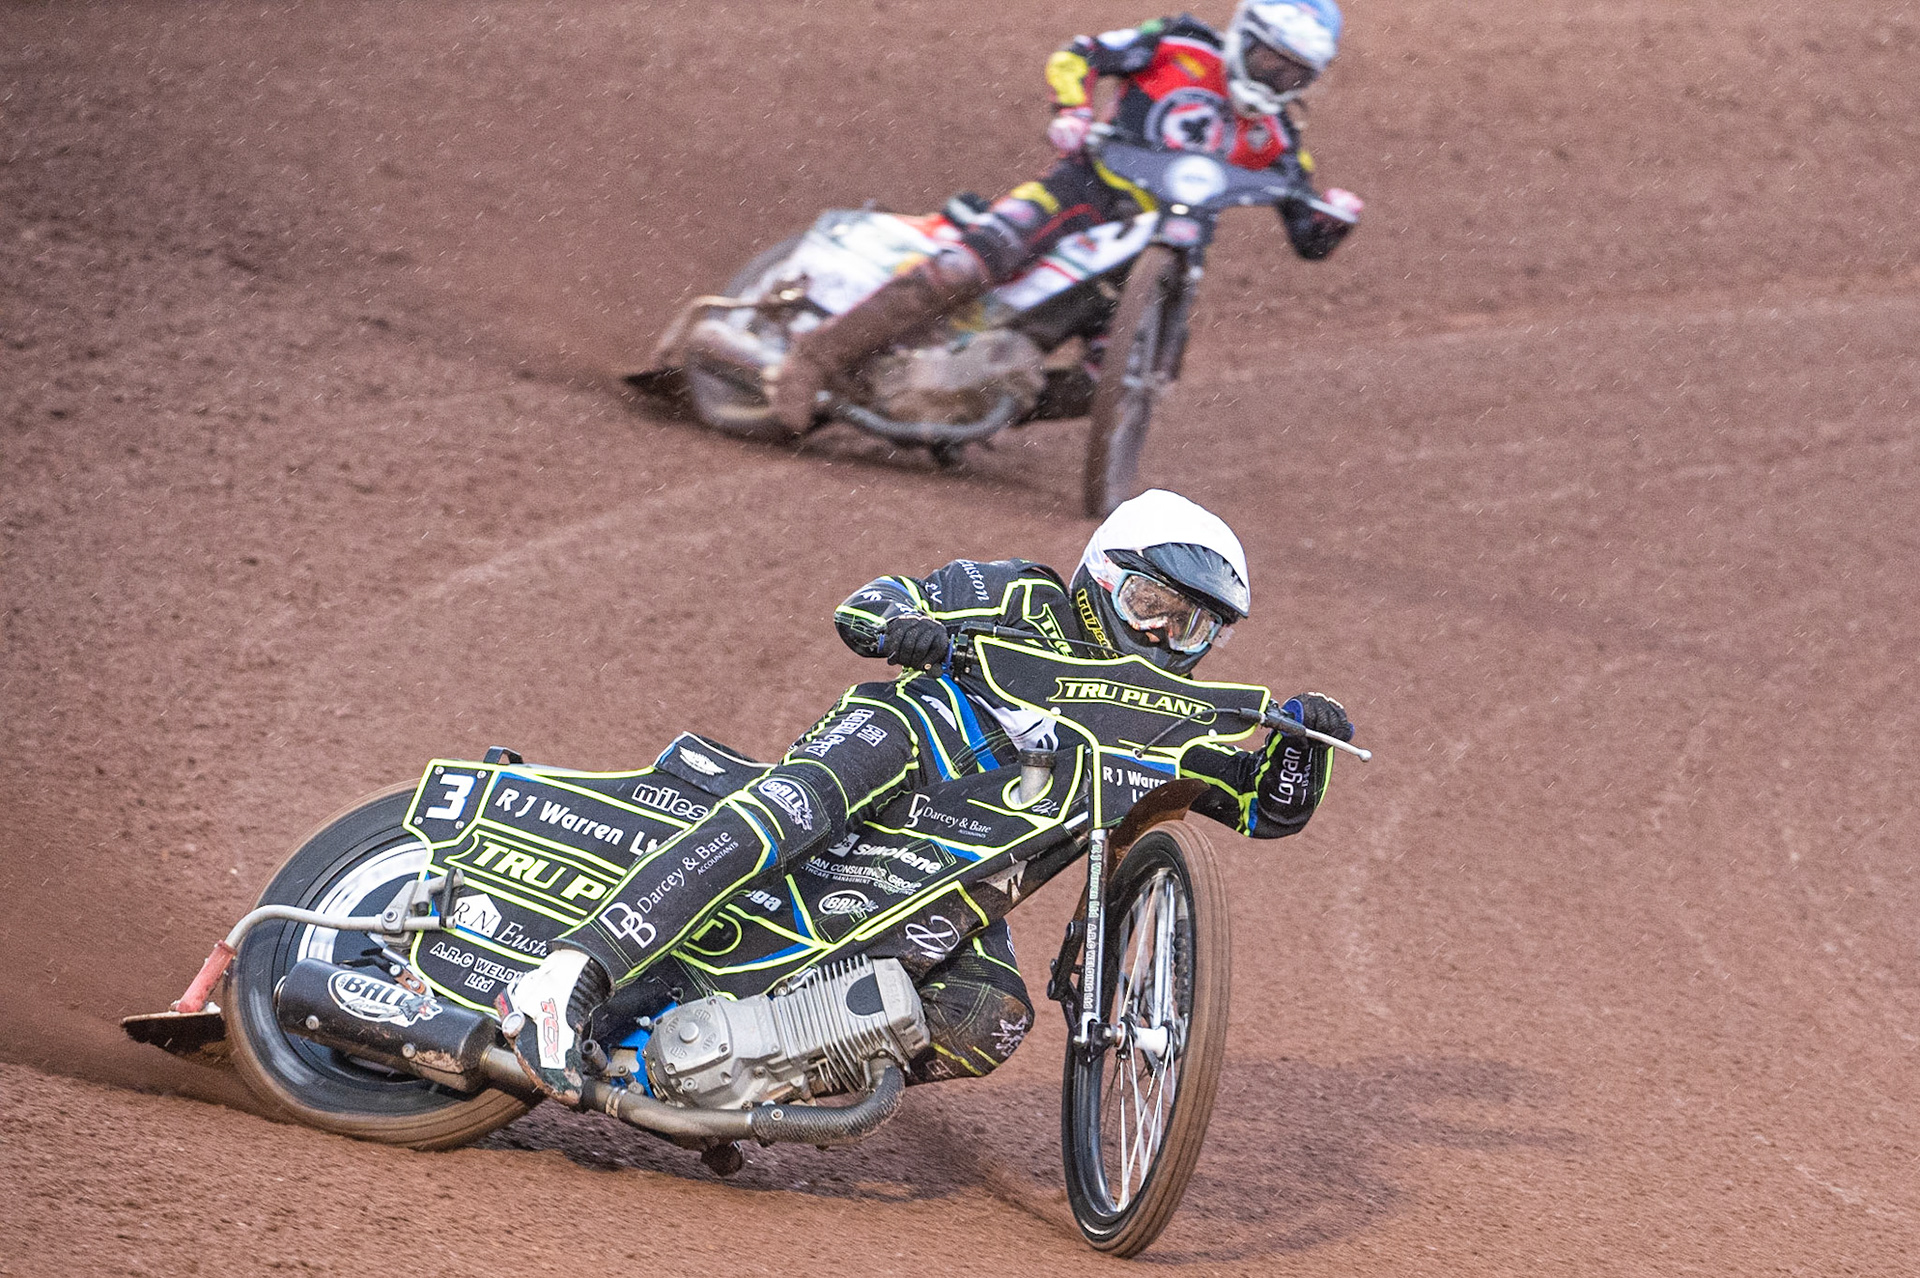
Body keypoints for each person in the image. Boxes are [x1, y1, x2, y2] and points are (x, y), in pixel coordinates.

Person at [500, 490, 1353, 1101]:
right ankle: (570, 975)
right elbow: (867, 606)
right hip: (902, 749)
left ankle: (707, 1069)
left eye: (1193, 626)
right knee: (797, 809)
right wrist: (911, 628)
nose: (1167, 636)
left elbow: (1261, 807)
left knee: (989, 1015)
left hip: (956, 872)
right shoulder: (1023, 595)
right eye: (1152, 605)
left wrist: (1302, 743)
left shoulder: (1169, 725)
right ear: (1102, 575)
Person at [768, 0, 1365, 432]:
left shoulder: (1280, 138)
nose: (1275, 77)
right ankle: (810, 361)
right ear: (1245, 35)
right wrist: (1074, 110)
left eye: (1293, 72)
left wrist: (1335, 217)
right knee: (966, 265)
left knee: (1127, 375)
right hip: (1082, 190)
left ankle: (965, 407)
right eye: (1268, 59)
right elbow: (1079, 53)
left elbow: (1307, 234)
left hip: (1165, 251)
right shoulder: (1179, 42)